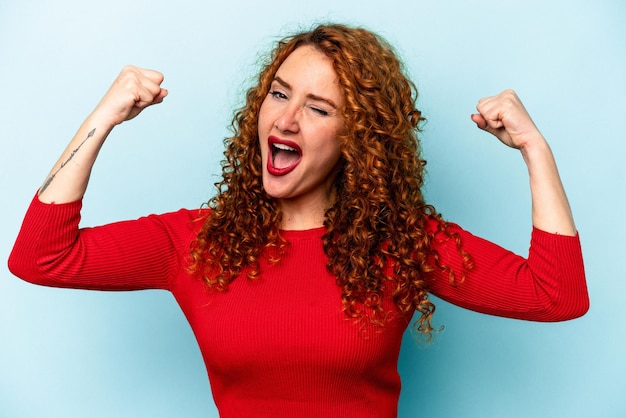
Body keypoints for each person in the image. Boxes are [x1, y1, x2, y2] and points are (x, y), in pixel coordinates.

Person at [8, 23, 589, 418]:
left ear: (357, 138)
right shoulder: (194, 242)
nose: (285, 120)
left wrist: (535, 148)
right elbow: (39, 257)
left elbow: (557, 295)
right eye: (278, 94)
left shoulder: (404, 243)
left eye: (317, 108)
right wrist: (103, 117)